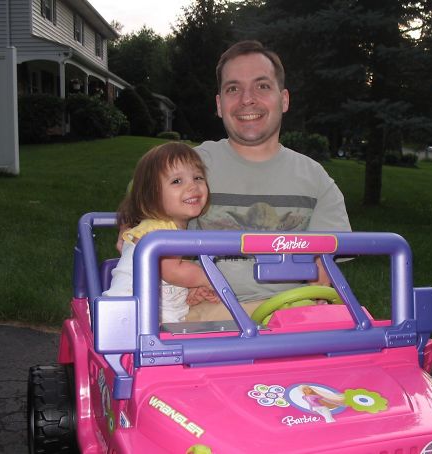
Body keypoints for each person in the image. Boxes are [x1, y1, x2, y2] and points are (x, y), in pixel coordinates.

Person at [119, 40, 351, 321]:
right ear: (219, 104)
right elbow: (139, 199)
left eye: (262, 86)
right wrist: (130, 230)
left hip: (288, 314)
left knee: (352, 327)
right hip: (207, 313)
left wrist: (317, 288)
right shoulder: (190, 167)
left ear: (284, 99)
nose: (247, 99)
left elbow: (325, 272)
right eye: (233, 89)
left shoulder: (316, 180)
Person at [104, 142, 215, 323]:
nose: (193, 186)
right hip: (128, 320)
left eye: (198, 178)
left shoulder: (170, 229)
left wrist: (189, 293)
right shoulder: (158, 230)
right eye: (177, 181)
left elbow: (168, 279)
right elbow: (171, 271)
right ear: (151, 195)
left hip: (149, 320)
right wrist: (208, 278)